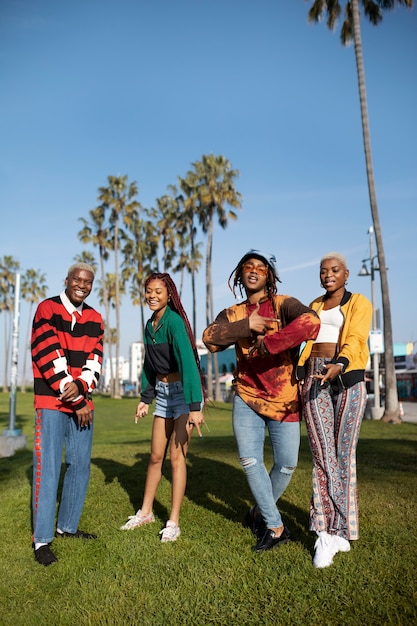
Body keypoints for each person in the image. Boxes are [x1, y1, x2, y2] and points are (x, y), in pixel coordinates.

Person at [202, 250, 320, 552]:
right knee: (250, 460)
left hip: (284, 399)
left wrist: (269, 343)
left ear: (269, 275)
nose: (253, 271)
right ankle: (275, 526)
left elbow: (311, 323)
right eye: (247, 267)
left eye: (260, 268)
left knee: (287, 465)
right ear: (240, 275)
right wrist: (246, 326)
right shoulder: (233, 312)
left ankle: (256, 513)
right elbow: (210, 338)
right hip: (246, 396)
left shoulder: (283, 305)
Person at [297, 252, 372, 568]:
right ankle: (325, 533)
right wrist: (300, 373)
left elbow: (355, 338)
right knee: (322, 456)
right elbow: (302, 342)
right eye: (323, 270)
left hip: (348, 379)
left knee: (343, 456)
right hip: (315, 377)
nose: (328, 275)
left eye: (335, 270)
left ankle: (342, 530)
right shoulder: (313, 306)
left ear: (346, 274)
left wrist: (339, 364)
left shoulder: (360, 303)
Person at [120, 272, 205, 542]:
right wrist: (146, 399)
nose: (152, 295)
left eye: (158, 290)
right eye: (148, 290)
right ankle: (145, 512)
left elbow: (189, 363)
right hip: (163, 393)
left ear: (169, 294)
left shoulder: (174, 322)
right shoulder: (149, 326)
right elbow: (149, 365)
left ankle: (173, 522)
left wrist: (194, 406)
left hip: (183, 395)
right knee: (155, 456)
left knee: (176, 458)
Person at [31, 262, 104, 566]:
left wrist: (82, 390)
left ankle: (67, 527)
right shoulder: (46, 309)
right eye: (77, 280)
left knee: (79, 465)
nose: (82, 285)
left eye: (87, 282)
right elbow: (47, 354)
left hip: (82, 402)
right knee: (47, 468)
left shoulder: (95, 318)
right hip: (52, 401)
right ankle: (42, 540)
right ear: (67, 280)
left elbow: (95, 360)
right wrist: (76, 398)